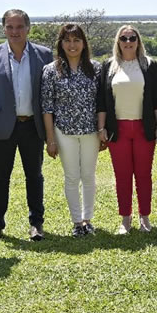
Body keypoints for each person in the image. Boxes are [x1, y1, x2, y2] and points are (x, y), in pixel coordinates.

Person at [0, 9, 53, 245]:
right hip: (2, 128)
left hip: (32, 126)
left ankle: (36, 224)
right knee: (0, 178)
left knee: (35, 177)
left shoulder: (44, 55)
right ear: (4, 29)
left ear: (28, 28)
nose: (15, 31)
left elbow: (49, 95)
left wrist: (51, 132)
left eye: (20, 26)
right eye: (10, 27)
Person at [98, 25, 157, 234]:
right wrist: (101, 128)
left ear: (138, 41)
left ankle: (144, 217)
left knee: (144, 174)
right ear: (118, 42)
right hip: (117, 129)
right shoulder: (109, 65)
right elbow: (102, 101)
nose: (128, 42)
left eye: (132, 38)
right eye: (123, 38)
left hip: (143, 128)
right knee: (122, 176)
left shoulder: (148, 65)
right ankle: (125, 219)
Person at [41, 24, 102, 237]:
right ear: (61, 44)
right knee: (72, 177)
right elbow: (47, 108)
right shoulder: (51, 70)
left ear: (84, 43)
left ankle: (87, 220)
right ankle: (77, 222)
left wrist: (102, 130)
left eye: (76, 40)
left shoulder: (96, 68)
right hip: (63, 131)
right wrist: (51, 139)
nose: (72, 45)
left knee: (88, 176)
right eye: (67, 40)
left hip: (90, 131)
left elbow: (102, 103)